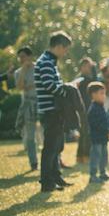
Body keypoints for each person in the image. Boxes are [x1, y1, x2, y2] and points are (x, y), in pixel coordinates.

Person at [34, 30, 73, 192]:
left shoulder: (50, 62)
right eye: (65, 49)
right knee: (50, 147)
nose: (66, 52)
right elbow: (50, 86)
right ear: (58, 46)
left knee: (57, 146)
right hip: (50, 110)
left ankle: (55, 176)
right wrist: (67, 91)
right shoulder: (45, 62)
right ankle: (47, 182)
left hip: (54, 110)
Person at [14, 47, 38, 171]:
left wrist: (28, 86)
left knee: (49, 132)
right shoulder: (18, 72)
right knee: (30, 136)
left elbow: (42, 84)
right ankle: (33, 162)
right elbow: (19, 87)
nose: (21, 59)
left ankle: (55, 161)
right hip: (28, 104)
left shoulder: (38, 68)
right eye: (20, 57)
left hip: (41, 103)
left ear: (30, 56)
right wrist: (23, 70)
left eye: (23, 56)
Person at [86, 82, 109, 183]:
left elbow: (108, 119)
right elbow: (97, 124)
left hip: (103, 138)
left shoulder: (102, 106)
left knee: (104, 155)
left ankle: (103, 173)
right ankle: (93, 175)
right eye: (101, 93)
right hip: (97, 138)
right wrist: (106, 130)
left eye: (104, 93)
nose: (104, 96)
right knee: (96, 155)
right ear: (93, 95)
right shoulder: (93, 109)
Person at [75, 57, 97, 164]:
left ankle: (82, 156)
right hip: (82, 110)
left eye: (90, 66)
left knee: (85, 133)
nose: (89, 68)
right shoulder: (80, 80)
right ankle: (84, 156)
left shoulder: (90, 78)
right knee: (85, 133)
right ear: (82, 67)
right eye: (87, 66)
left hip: (89, 109)